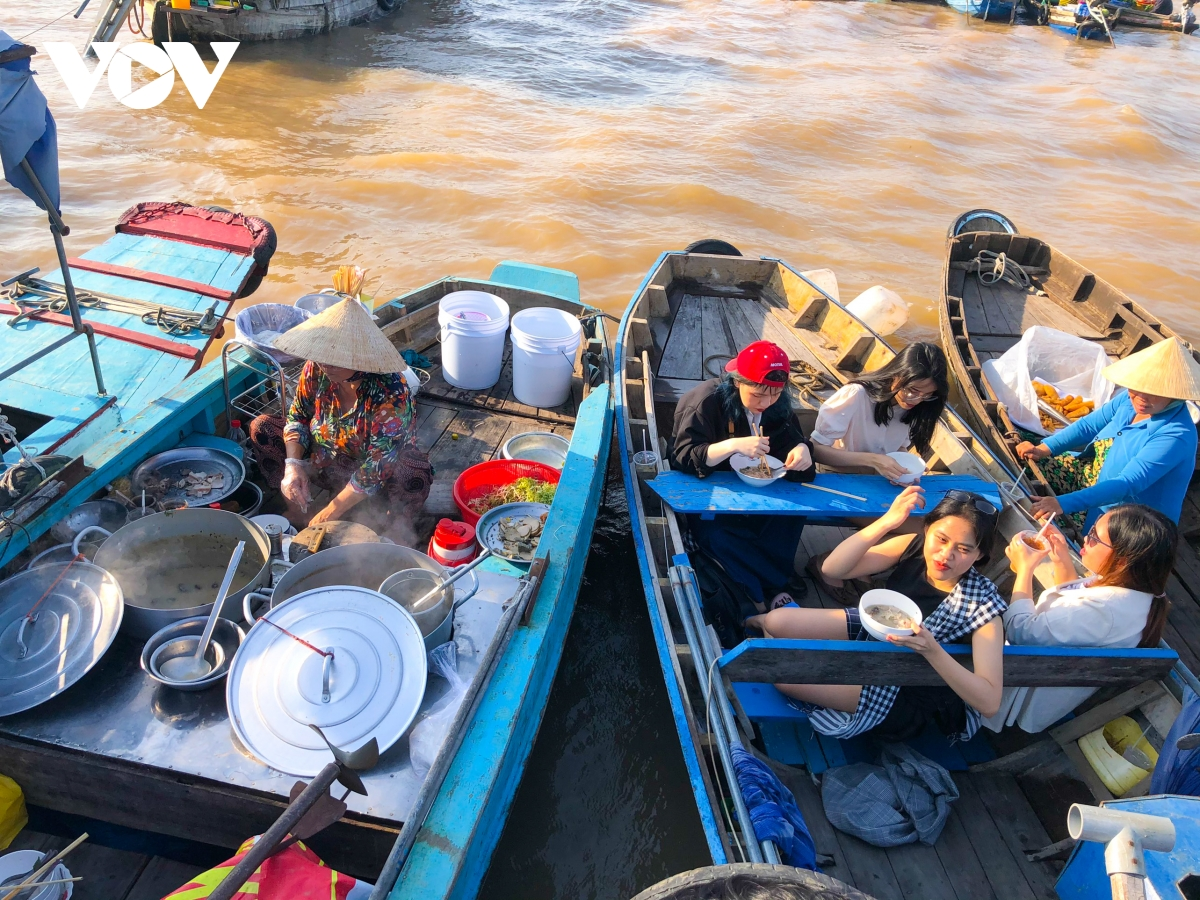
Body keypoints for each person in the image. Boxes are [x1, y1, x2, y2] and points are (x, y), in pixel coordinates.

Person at [750, 486, 1007, 742]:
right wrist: (886, 522)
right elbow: (831, 569)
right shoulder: (913, 547)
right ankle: (765, 629)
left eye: (964, 549)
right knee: (777, 620)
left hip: (902, 690)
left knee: (783, 676)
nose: (946, 555)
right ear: (927, 530)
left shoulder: (983, 608)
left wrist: (933, 650)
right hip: (875, 633)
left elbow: (989, 702)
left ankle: (771, 642)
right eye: (941, 538)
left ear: (979, 555)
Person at [985, 504, 1176, 733]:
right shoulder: (1133, 595)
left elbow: (1020, 631)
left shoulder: (1106, 611)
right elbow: (1071, 615)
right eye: (1093, 527)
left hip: (1005, 700)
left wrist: (1025, 569)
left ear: (1123, 560)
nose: (1087, 537)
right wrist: (1062, 559)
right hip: (1019, 682)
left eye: (1095, 537)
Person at [248, 298, 431, 537]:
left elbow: (378, 465)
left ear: (360, 358)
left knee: (413, 471)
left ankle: (390, 531)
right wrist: (293, 466)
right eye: (323, 355)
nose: (326, 364)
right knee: (263, 427)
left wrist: (330, 513)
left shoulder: (390, 391)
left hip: (376, 478)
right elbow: (298, 415)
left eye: (336, 359)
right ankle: (298, 509)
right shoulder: (317, 368)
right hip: (325, 459)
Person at [671, 340, 815, 612]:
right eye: (758, 394)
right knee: (717, 536)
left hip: (758, 489)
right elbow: (681, 458)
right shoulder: (705, 401)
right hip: (710, 491)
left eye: (774, 394)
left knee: (792, 514)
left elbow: (794, 442)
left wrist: (802, 449)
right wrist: (733, 445)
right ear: (738, 382)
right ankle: (770, 586)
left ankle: (765, 583)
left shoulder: (777, 405)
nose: (766, 402)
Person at [807, 342, 949, 600]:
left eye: (926, 395)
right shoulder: (856, 395)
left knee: (932, 525)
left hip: (878, 483)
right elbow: (814, 449)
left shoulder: (917, 409)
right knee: (920, 531)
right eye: (912, 390)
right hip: (836, 482)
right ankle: (828, 566)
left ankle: (855, 567)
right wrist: (873, 461)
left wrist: (900, 471)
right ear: (896, 373)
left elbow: (900, 449)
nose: (915, 399)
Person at [1016, 337, 1200, 532]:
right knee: (1021, 459)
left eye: (1155, 392)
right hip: (1091, 474)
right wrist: (1043, 449)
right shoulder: (1129, 400)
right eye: (1137, 387)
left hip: (1123, 517)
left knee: (1039, 522)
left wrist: (1061, 504)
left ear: (1175, 394)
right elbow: (1087, 426)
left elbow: (1128, 484)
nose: (1142, 397)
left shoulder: (1175, 435)